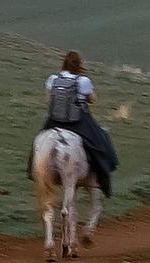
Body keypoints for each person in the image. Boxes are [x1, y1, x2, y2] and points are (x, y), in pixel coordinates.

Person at [42, 50, 117, 193]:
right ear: (79, 65)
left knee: (38, 144)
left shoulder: (53, 79)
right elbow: (92, 100)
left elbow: (48, 100)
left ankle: (33, 171)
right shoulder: (83, 81)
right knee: (101, 139)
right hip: (78, 121)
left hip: (55, 120)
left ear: (63, 63)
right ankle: (100, 179)